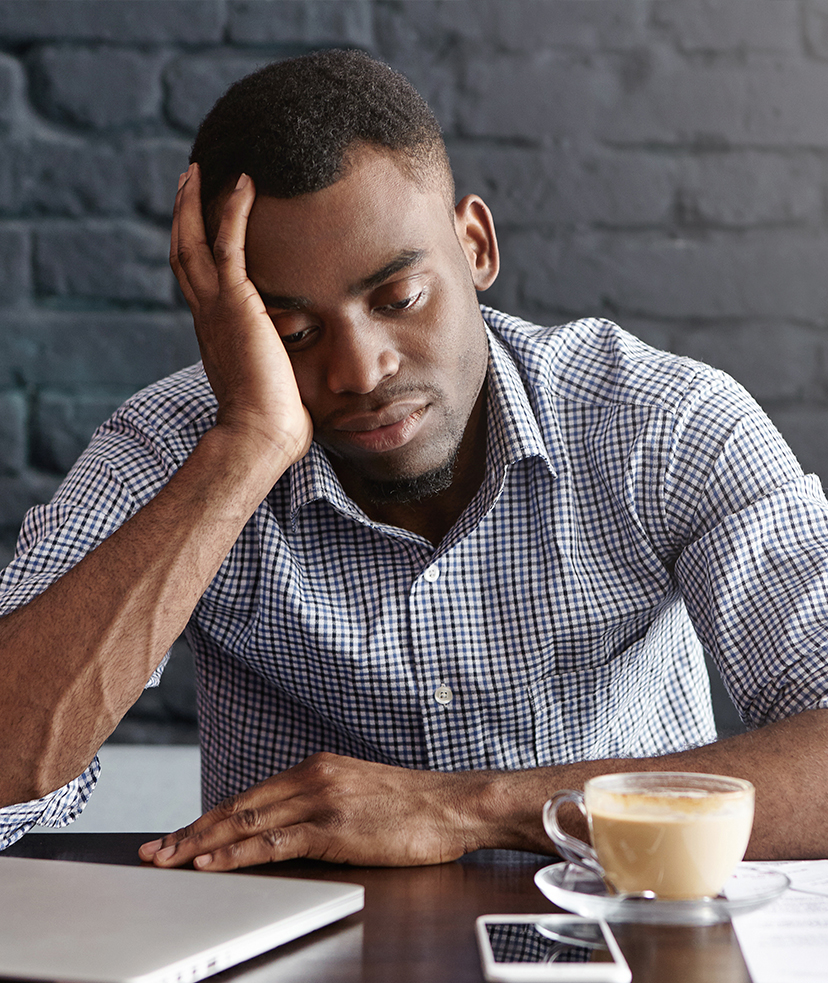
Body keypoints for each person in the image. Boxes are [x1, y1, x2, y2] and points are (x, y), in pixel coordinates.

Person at [1, 49, 827, 869]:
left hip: (609, 940)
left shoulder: (661, 424)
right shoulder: (178, 450)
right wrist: (244, 450)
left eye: (397, 299)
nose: (359, 370)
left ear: (474, 245)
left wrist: (471, 809)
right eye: (293, 333)